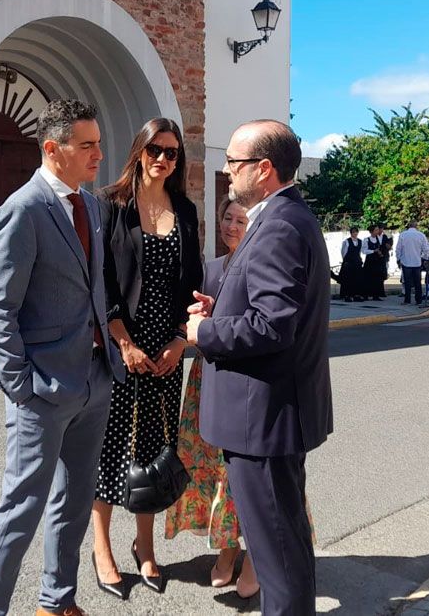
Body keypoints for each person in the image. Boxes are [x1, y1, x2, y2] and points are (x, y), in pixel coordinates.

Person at [0, 99, 125, 616]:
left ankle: (57, 602)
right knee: (20, 509)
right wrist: (21, 385)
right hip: (42, 390)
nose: (99, 154)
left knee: (74, 503)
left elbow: (93, 288)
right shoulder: (22, 210)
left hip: (93, 382)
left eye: (99, 143)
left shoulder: (93, 207)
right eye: (87, 146)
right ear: (53, 150)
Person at [187, 119, 333, 616]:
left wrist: (203, 333)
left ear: (264, 169)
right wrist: (221, 308)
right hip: (268, 416)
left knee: (277, 553)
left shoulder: (278, 226)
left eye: (234, 162)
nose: (227, 172)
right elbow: (267, 307)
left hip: (262, 420)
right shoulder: (283, 219)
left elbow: (272, 326)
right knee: (284, 543)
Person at [93, 117, 203, 599]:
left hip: (166, 353)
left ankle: (145, 547)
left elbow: (193, 282)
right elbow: (103, 284)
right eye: (156, 149)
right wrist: (124, 343)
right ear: (139, 150)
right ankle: (101, 550)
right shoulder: (110, 205)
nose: (163, 159)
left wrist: (181, 341)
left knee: (155, 452)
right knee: (110, 451)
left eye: (173, 152)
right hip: (124, 351)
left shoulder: (185, 210)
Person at [164, 198, 259, 598]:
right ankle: (226, 550)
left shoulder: (260, 265)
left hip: (245, 381)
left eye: (241, 219)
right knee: (213, 469)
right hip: (206, 378)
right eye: (227, 218)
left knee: (249, 473)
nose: (232, 225)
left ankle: (255, 556)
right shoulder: (212, 268)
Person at [396, 221, 428, 307]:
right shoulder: (421, 235)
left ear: (408, 226)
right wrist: (424, 258)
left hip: (406, 262)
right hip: (417, 262)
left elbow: (398, 248)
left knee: (407, 282)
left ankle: (407, 300)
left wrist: (398, 258)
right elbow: (426, 249)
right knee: (418, 282)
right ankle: (419, 300)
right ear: (416, 226)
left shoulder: (403, 235)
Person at [362, 225, 391, 301]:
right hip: (370, 261)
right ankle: (366, 295)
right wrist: (373, 251)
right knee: (368, 278)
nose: (378, 231)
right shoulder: (366, 240)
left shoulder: (379, 239)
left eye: (378, 230)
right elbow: (364, 251)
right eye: (376, 230)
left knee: (377, 278)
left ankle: (376, 295)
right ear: (372, 231)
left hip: (377, 261)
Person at [338, 227, 365, 302]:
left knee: (357, 280)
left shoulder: (360, 241)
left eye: (356, 232)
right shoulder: (346, 242)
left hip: (357, 263)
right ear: (351, 233)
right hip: (349, 264)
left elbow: (359, 252)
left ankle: (356, 295)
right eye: (353, 232)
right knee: (348, 280)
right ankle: (348, 295)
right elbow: (343, 252)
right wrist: (346, 261)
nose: (355, 234)